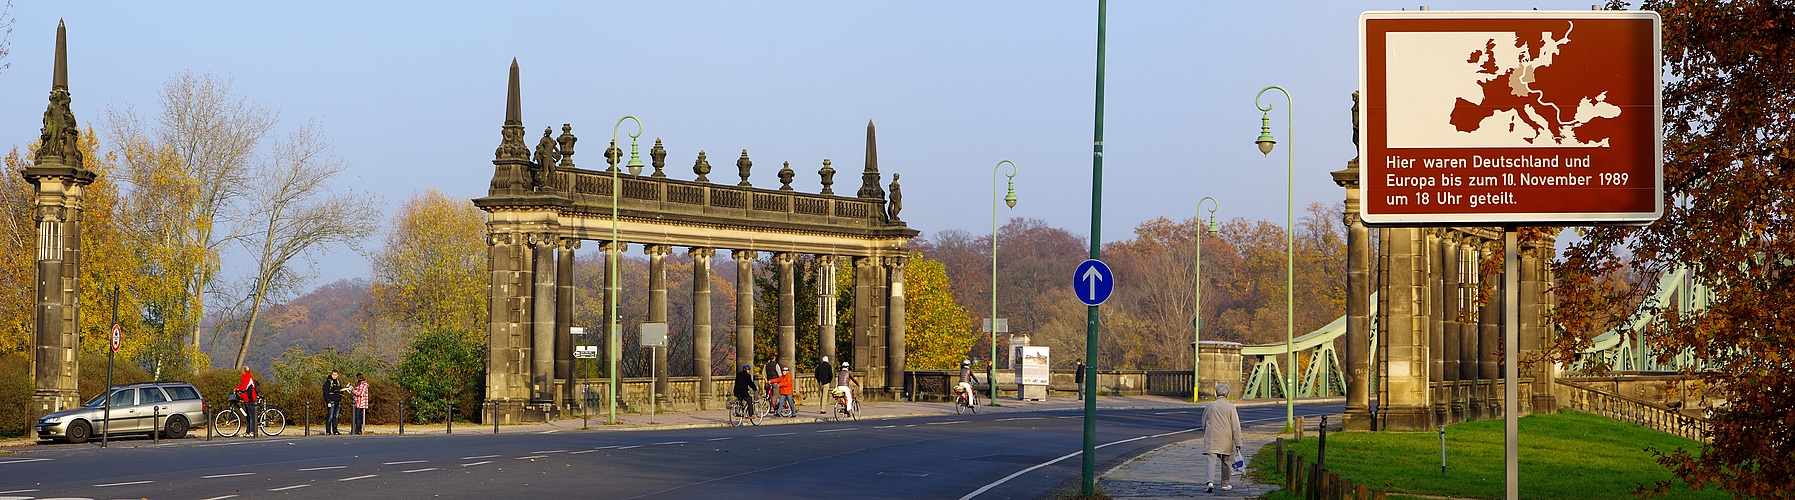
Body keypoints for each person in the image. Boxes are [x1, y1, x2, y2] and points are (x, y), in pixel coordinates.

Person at [1202, 383, 1244, 493]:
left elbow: (1204, 422)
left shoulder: (1209, 406)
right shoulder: (1231, 407)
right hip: (1226, 436)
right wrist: (1238, 442)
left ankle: (1210, 482)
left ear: (1216, 393)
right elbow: (1235, 426)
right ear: (1227, 394)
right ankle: (1225, 484)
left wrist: (1206, 432)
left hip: (1212, 435)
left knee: (1211, 459)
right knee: (1226, 461)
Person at [234, 366, 260, 437]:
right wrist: (237, 388)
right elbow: (242, 385)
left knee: (251, 416)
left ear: (244, 371)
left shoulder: (248, 378)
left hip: (250, 399)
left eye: (242, 369)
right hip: (246, 399)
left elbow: (244, 387)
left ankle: (252, 431)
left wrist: (237, 389)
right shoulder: (245, 378)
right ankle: (248, 431)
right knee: (248, 416)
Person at [321, 370, 344, 435]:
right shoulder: (328, 382)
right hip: (331, 401)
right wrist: (328, 401)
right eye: (333, 375)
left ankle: (335, 430)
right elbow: (325, 392)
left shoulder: (338, 382)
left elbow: (341, 390)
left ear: (337, 375)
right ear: (331, 374)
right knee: (330, 416)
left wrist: (341, 392)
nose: (334, 376)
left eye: (335, 375)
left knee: (336, 416)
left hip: (338, 401)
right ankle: (328, 430)